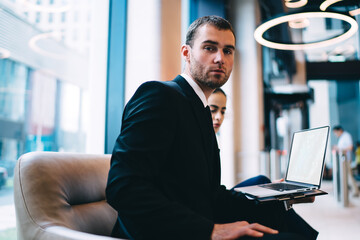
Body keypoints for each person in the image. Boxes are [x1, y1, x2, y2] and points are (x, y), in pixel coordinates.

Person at [106, 15, 318, 240]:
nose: (220, 58)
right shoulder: (159, 95)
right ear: (186, 53)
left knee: (281, 219)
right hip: (173, 232)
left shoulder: (200, 108)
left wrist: (281, 197)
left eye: (228, 51)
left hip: (198, 220)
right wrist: (211, 230)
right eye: (209, 48)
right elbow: (123, 189)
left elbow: (209, 195)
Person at [333, 125, 359, 197]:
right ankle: (352, 191)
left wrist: (338, 148)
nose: (335, 134)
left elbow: (350, 147)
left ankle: (355, 191)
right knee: (346, 176)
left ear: (340, 130)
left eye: (336, 132)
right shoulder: (342, 137)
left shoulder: (346, 136)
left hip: (346, 160)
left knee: (349, 176)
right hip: (342, 160)